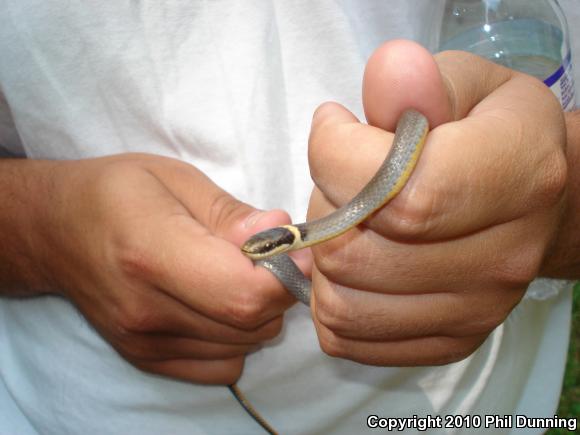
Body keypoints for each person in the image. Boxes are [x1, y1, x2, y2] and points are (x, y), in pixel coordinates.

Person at [0, 1, 578, 434]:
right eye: (263, 252)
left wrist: (555, 201)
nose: (260, 252)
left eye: (264, 250)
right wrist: (44, 229)